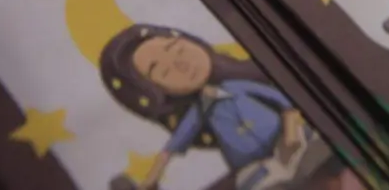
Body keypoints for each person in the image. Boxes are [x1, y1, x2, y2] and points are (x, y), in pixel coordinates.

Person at [103, 24, 347, 190]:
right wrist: (150, 181)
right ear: (156, 91)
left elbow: (284, 103)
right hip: (258, 168)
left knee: (323, 155)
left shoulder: (238, 86)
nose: (180, 64)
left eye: (176, 49)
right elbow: (172, 148)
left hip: (294, 143)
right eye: (162, 71)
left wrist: (291, 132)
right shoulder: (199, 111)